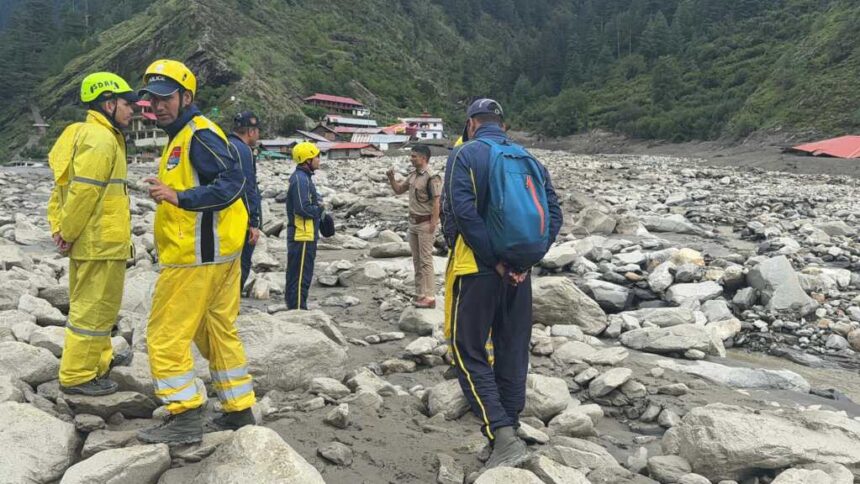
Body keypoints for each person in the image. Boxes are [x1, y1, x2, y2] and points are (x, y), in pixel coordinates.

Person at [136, 59, 255, 444]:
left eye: (165, 98)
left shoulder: (198, 134)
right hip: (218, 257)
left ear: (186, 96)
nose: (157, 106)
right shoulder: (184, 135)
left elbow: (233, 182)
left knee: (165, 334)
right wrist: (170, 188)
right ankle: (240, 411)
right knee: (216, 332)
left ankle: (184, 414)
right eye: (152, 100)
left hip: (197, 257)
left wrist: (179, 196)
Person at [441, 98, 563, 470]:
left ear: (472, 124)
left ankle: (503, 435)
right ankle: (509, 429)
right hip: (519, 275)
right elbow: (554, 211)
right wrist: (525, 261)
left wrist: (495, 261)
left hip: (477, 269)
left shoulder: (466, 155)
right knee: (512, 349)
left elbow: (459, 213)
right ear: (503, 125)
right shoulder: (528, 157)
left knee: (467, 349)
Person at [47, 72, 137, 396]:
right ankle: (77, 376)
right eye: (127, 104)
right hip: (100, 242)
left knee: (100, 309)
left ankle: (98, 363)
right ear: (108, 103)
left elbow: (60, 190)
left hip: (100, 242)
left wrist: (60, 228)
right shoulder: (100, 139)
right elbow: (83, 193)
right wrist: (66, 233)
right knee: (91, 311)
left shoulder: (86, 134)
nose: (133, 110)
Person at [386, 145, 441, 308]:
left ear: (423, 158)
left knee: (426, 261)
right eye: (411, 156)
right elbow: (398, 190)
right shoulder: (413, 176)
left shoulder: (432, 177)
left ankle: (430, 296)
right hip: (413, 223)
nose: (411, 158)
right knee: (417, 261)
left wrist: (433, 223)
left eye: (414, 156)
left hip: (425, 223)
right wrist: (391, 179)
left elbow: (437, 202)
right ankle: (420, 294)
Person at [285, 141, 324, 310]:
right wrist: (319, 209)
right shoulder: (301, 180)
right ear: (308, 159)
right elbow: (302, 208)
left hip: (305, 233)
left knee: (297, 274)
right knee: (300, 276)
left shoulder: (303, 178)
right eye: (316, 157)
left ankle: (295, 306)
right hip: (302, 234)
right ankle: (298, 309)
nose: (319, 160)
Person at [228, 111, 263, 294]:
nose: (258, 135)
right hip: (240, 219)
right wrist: (254, 222)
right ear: (251, 131)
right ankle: (232, 309)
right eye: (257, 131)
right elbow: (247, 187)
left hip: (226, 217)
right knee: (240, 266)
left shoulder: (226, 144)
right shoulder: (244, 151)